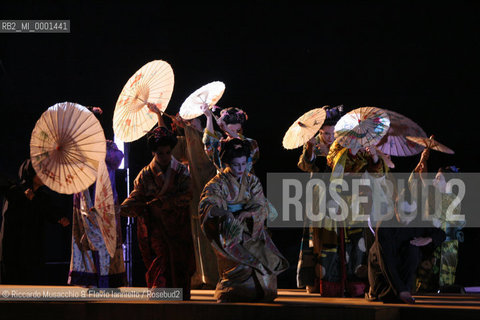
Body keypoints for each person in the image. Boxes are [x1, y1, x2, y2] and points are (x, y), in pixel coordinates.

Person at [199, 138, 289, 303]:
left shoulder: (252, 181)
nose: (240, 169)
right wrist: (226, 214)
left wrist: (247, 214)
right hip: (229, 229)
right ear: (227, 163)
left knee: (263, 261)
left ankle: (261, 292)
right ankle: (232, 290)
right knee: (243, 265)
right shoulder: (217, 183)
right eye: (235, 165)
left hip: (250, 227)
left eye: (243, 164)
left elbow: (261, 204)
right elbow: (208, 204)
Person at [120, 125, 195, 300]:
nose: (165, 157)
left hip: (177, 223)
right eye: (160, 153)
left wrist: (165, 202)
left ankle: (180, 292)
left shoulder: (182, 171)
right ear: (154, 153)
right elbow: (137, 195)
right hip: (155, 224)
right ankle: (161, 290)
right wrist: (122, 208)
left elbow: (188, 195)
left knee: (179, 259)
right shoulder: (145, 174)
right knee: (159, 257)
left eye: (168, 152)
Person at [295, 105, 345, 294]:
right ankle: (313, 281)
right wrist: (310, 151)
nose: (329, 137)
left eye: (333, 133)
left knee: (335, 239)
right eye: (325, 133)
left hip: (338, 195)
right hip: (317, 197)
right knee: (314, 240)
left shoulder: (343, 144)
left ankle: (335, 281)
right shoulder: (313, 142)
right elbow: (303, 165)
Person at [68, 140, 127, 288]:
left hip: (106, 201)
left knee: (106, 241)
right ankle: (90, 280)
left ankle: (106, 280)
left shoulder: (108, 146)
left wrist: (100, 151)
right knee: (86, 241)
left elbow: (118, 158)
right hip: (85, 200)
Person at [0, 159, 69, 284]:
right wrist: (28, 197)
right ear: (31, 173)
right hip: (14, 248)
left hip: (33, 249)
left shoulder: (42, 196)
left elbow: (49, 212)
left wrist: (60, 219)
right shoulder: (16, 191)